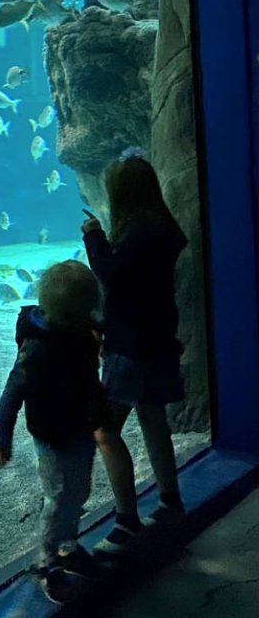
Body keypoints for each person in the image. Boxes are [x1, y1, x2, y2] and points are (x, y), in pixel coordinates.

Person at [81, 149, 189, 556]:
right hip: (159, 338)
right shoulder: (161, 226)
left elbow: (111, 276)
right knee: (152, 417)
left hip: (132, 346)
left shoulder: (140, 232)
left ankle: (126, 522)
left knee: (105, 430)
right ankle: (170, 501)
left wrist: (93, 236)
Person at [0, 261, 106, 587]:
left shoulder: (81, 330)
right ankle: (47, 558)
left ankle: (67, 544)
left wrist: (99, 413)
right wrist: (2, 437)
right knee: (56, 495)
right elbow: (13, 391)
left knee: (80, 489)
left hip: (81, 427)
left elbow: (89, 378)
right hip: (51, 433)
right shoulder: (38, 346)